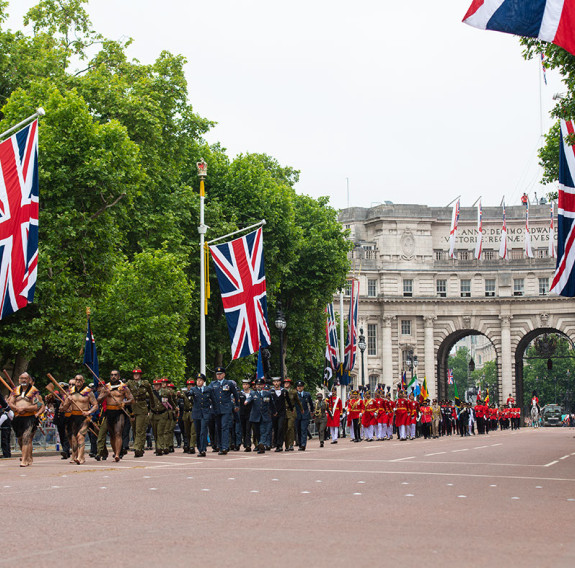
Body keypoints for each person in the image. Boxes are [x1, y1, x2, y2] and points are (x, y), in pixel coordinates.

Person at [7, 373, 45, 467]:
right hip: (17, 417)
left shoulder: (34, 391)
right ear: (19, 380)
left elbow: (38, 405)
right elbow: (10, 403)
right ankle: (26, 456)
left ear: (29, 380)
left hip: (29, 417)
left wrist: (25, 409)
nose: (23, 380)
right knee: (20, 439)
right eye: (22, 378)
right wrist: (16, 408)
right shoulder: (15, 390)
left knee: (26, 437)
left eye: (25, 378)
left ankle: (24, 460)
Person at [97, 370, 134, 462]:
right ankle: (115, 451)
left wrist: (123, 402)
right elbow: (98, 400)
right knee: (112, 435)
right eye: (112, 375)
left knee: (118, 433)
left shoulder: (124, 387)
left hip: (119, 412)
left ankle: (117, 454)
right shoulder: (106, 387)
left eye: (115, 375)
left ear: (119, 376)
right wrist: (105, 394)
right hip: (109, 412)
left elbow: (132, 400)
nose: (113, 376)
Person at [61, 374, 98, 464]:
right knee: (74, 438)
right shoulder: (70, 392)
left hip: (84, 417)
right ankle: (75, 455)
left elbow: (95, 405)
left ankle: (80, 457)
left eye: (80, 380)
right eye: (76, 379)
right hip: (74, 417)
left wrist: (89, 412)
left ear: (83, 381)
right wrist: (68, 401)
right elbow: (63, 408)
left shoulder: (88, 391)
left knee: (80, 436)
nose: (78, 381)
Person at [207, 366, 239, 455]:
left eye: (220, 374)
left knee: (225, 427)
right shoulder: (213, 384)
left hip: (226, 408)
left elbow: (236, 395)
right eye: (217, 374)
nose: (219, 376)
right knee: (218, 428)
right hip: (216, 409)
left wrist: (237, 405)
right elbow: (207, 392)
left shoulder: (229, 383)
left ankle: (225, 447)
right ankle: (220, 446)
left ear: (224, 374)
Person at [126, 368, 153, 458]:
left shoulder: (145, 383)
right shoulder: (130, 383)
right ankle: (140, 447)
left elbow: (151, 395)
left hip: (142, 408)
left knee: (139, 429)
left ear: (140, 375)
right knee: (134, 429)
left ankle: (137, 448)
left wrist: (151, 408)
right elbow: (122, 389)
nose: (136, 375)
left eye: (138, 374)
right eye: (134, 374)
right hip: (132, 408)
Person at [246, 378, 276, 453]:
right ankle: (261, 446)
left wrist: (274, 411)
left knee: (263, 430)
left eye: (260, 385)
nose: (258, 386)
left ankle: (262, 443)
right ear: (255, 386)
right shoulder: (253, 393)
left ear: (263, 385)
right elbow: (249, 399)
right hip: (255, 416)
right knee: (257, 432)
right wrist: (246, 401)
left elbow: (272, 404)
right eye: (257, 385)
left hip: (264, 416)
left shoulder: (267, 393)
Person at [189, 373, 212, 457]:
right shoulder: (193, 389)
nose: (199, 382)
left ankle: (202, 449)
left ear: (203, 381)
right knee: (198, 432)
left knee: (203, 431)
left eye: (200, 380)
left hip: (205, 413)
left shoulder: (208, 389)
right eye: (197, 380)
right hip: (196, 413)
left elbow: (213, 400)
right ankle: (200, 448)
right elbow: (190, 393)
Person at [270, 377, 290, 452]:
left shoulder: (284, 391)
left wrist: (291, 409)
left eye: (277, 381)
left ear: (280, 383)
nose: (276, 383)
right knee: (275, 429)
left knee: (280, 428)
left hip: (282, 413)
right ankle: (275, 443)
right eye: (274, 382)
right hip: (274, 413)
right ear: (273, 383)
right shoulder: (270, 391)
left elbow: (288, 401)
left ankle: (280, 445)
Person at [295, 380, 313, 451]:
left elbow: (311, 403)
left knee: (303, 430)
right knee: (298, 430)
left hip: (305, 414)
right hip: (297, 414)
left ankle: (303, 444)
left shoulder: (307, 394)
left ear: (303, 387)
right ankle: (300, 444)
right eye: (298, 386)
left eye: (301, 386)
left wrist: (312, 411)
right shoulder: (294, 394)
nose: (299, 388)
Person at [283, 377, 301, 450]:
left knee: (290, 427)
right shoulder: (282, 391)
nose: (286, 384)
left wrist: (301, 409)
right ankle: (287, 445)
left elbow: (298, 401)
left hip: (291, 411)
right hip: (284, 411)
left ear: (290, 384)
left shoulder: (293, 392)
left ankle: (291, 444)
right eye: (285, 383)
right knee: (285, 428)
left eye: (287, 383)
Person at [180, 379, 196, 454]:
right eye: (188, 385)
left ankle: (192, 446)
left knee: (193, 432)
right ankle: (189, 445)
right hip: (186, 414)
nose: (189, 386)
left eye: (191, 385)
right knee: (187, 431)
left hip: (193, 413)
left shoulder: (196, 393)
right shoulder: (184, 394)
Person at [239, 378, 253, 451]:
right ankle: (245, 443)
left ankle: (248, 444)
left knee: (248, 429)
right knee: (243, 429)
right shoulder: (240, 393)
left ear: (249, 385)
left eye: (246, 384)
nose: (245, 386)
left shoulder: (252, 393)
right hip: (242, 414)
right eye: (244, 384)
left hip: (250, 414)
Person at [0, 391, 14, 458]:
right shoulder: (9, 413)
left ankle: (6, 455)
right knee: (7, 442)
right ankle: (8, 454)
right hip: (8, 428)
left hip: (4, 429)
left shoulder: (4, 414)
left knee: (4, 442)